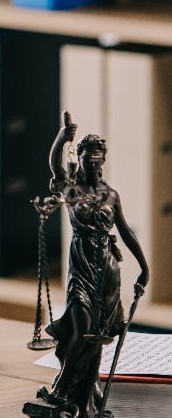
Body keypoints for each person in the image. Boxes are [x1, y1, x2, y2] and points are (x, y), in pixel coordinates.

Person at [36, 113, 148, 417]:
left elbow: (125, 231)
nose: (95, 168)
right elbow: (55, 167)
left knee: (98, 334)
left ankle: (85, 399)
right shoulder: (72, 191)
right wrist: (63, 138)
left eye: (99, 163)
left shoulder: (111, 194)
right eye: (89, 163)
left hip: (108, 267)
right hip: (82, 263)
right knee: (81, 326)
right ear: (81, 162)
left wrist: (144, 266)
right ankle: (62, 387)